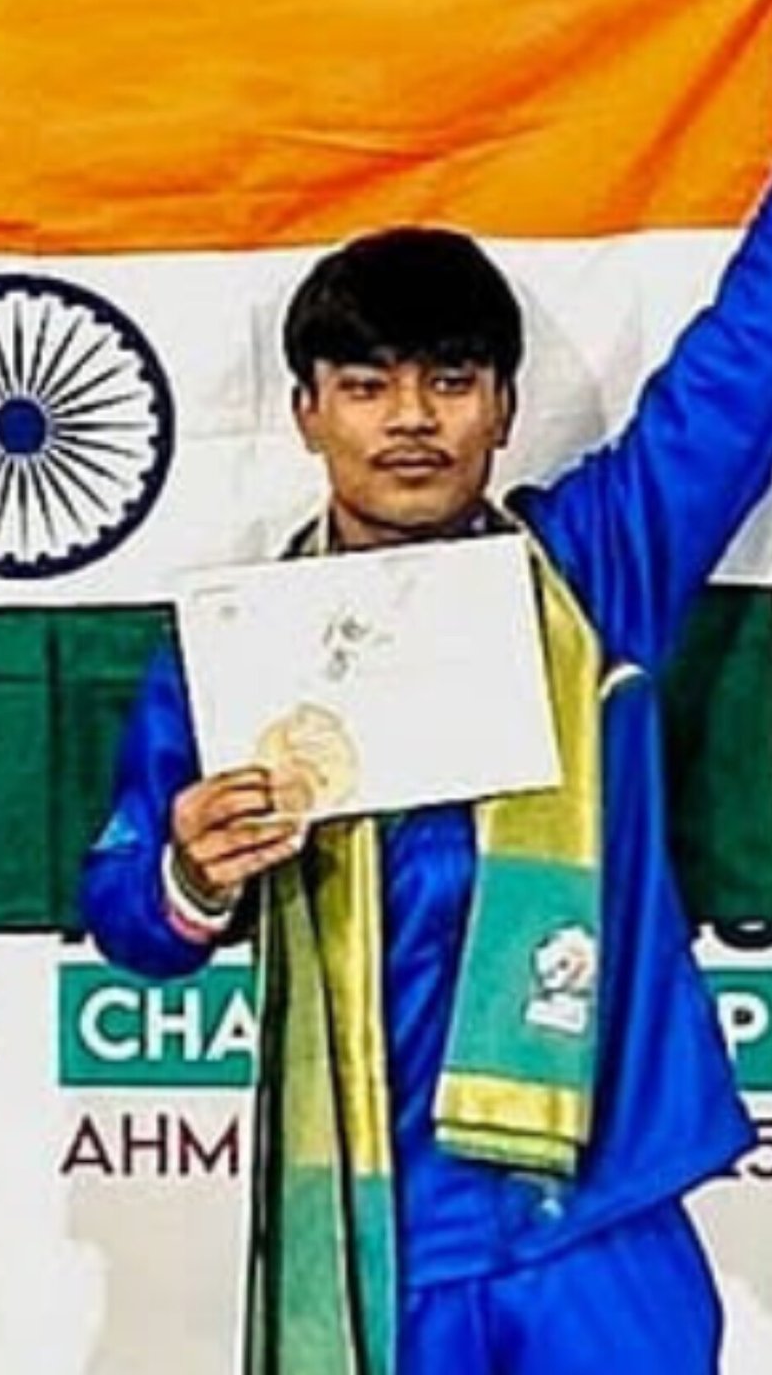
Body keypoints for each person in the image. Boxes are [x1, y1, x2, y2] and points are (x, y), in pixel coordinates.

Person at [82, 207, 772, 1371]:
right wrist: (191, 875)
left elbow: (748, 363)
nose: (409, 418)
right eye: (364, 385)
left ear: (502, 408)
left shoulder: (595, 568)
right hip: (374, 1243)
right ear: (306, 412)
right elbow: (124, 913)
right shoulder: (239, 651)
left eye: (449, 381)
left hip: (596, 1221)